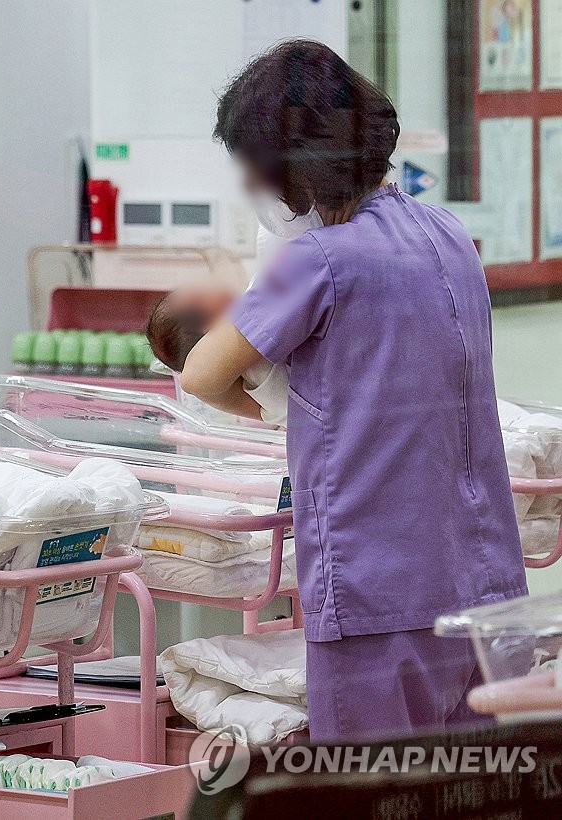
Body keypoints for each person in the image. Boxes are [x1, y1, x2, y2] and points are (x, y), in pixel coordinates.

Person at [179, 39, 527, 741]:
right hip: (483, 584)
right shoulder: (448, 233)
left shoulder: (317, 262)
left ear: (288, 170)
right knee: (472, 794)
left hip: (377, 592)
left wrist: (271, 410)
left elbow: (200, 372)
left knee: (368, 795)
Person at [147, 285, 289, 426]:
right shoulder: (251, 343)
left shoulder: (246, 375)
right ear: (209, 328)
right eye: (202, 296)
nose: (214, 287)